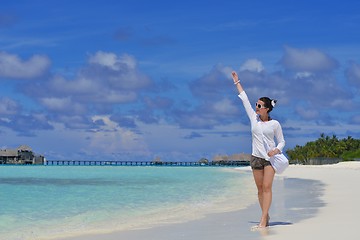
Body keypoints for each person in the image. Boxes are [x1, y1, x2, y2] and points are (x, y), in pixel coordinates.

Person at [231, 71, 285, 228]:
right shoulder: (253, 118)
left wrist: (276, 150)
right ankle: (266, 216)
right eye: (256, 105)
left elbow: (282, 141)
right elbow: (245, 99)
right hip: (255, 158)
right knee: (260, 190)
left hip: (269, 159)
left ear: (267, 109)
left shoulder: (275, 124)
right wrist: (237, 82)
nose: (256, 107)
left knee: (267, 188)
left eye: (259, 106)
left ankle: (262, 220)